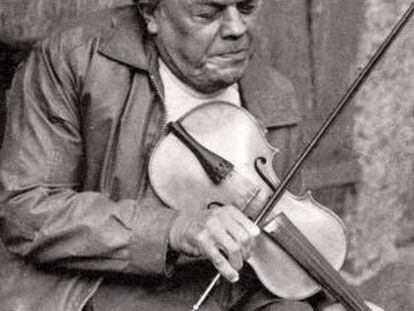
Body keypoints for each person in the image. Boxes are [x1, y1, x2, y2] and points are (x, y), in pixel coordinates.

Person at [0, 1, 383, 311]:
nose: (236, 28)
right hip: (102, 286)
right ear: (152, 14)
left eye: (246, 8)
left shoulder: (272, 94)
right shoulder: (76, 59)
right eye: (208, 13)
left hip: (230, 290)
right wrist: (174, 229)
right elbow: (25, 209)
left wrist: (333, 298)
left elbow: (282, 233)